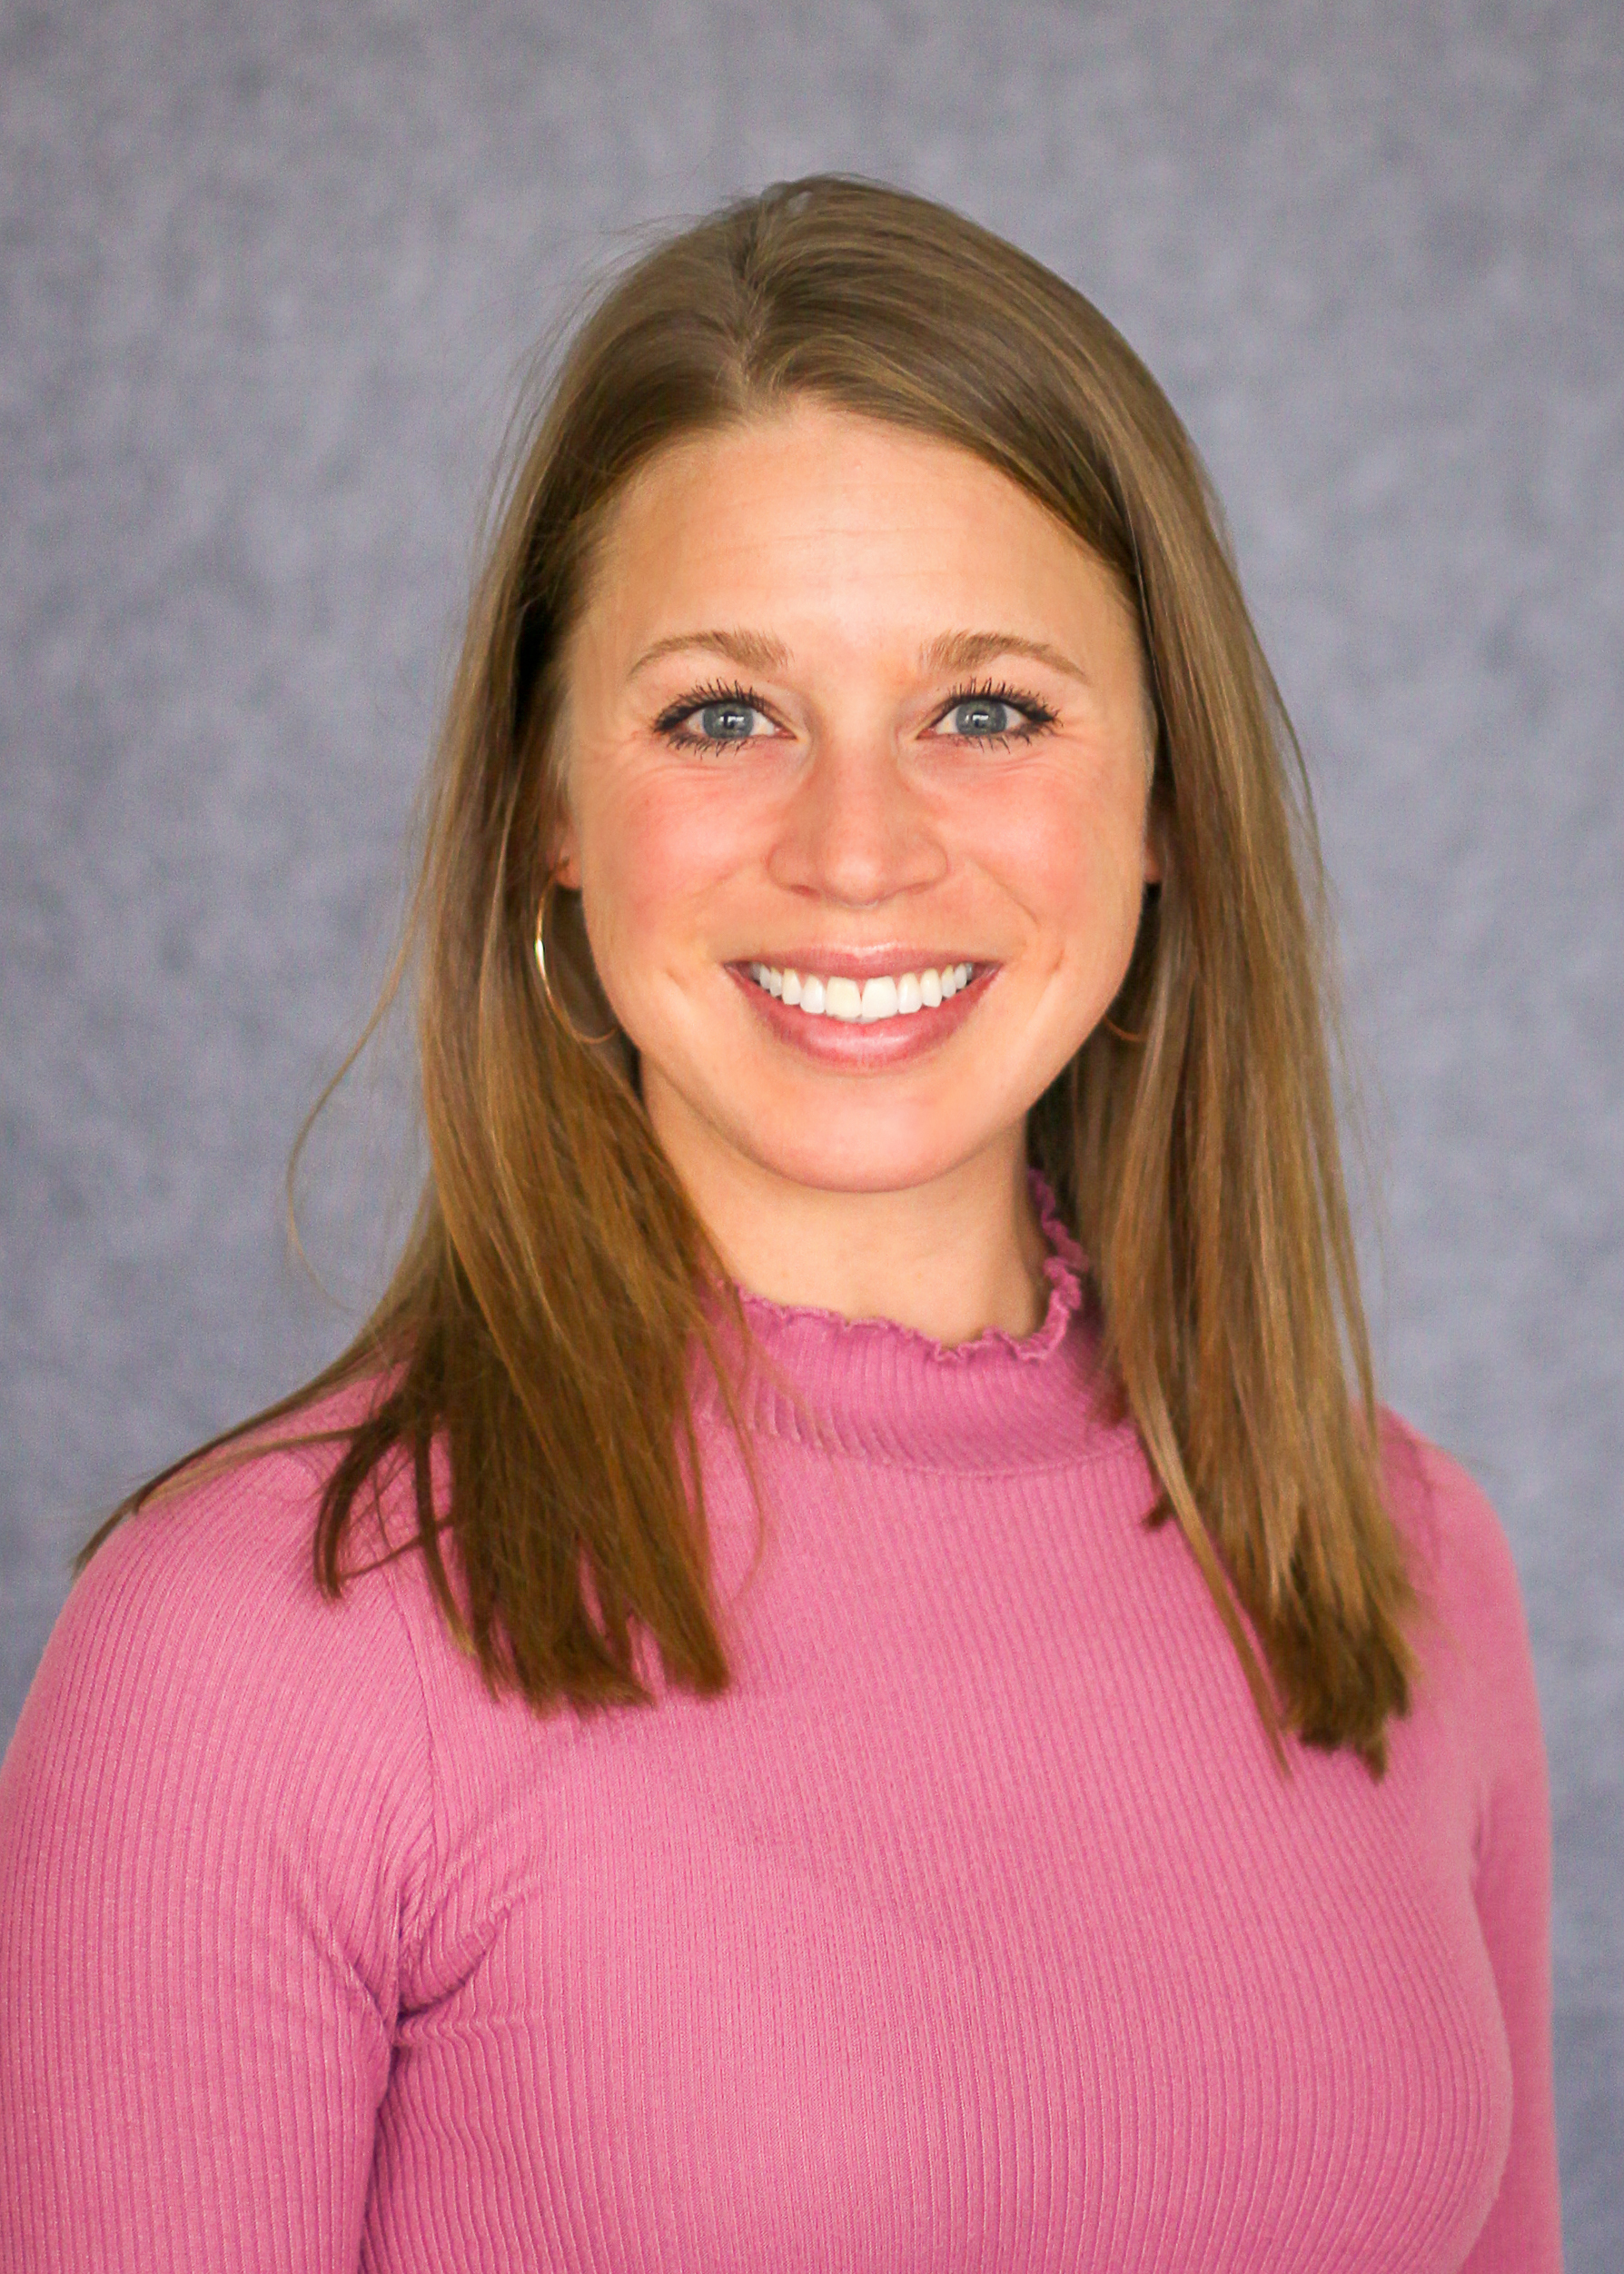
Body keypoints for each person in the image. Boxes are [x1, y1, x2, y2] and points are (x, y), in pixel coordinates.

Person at [0, 175, 1561, 2272]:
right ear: (549, 812)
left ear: (1169, 797)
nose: (856, 852)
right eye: (722, 714)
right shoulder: (250, 1653)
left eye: (987, 708)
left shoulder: (1395, 1561)